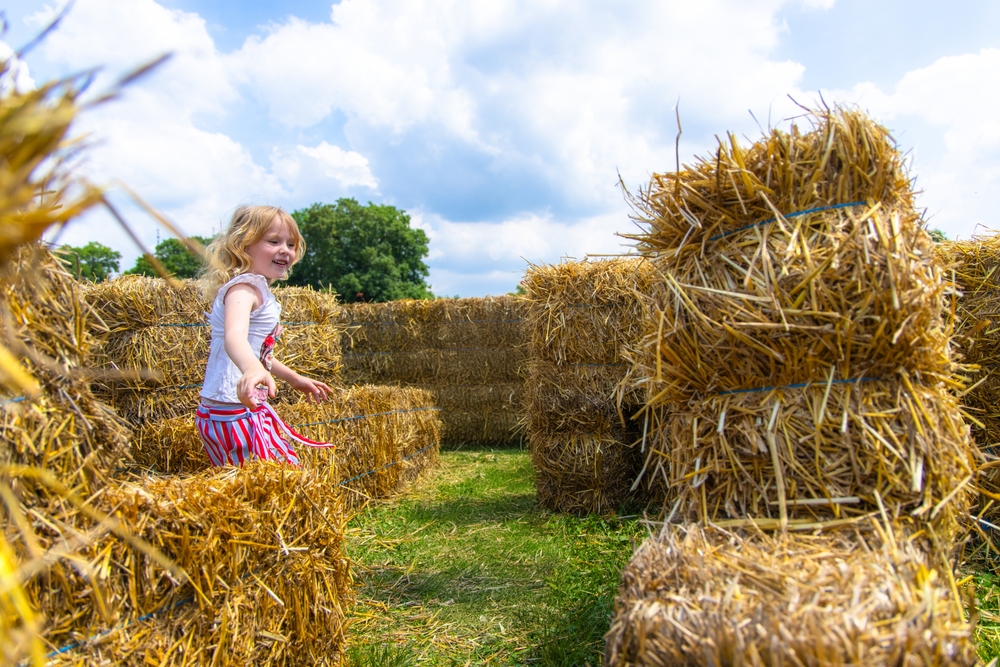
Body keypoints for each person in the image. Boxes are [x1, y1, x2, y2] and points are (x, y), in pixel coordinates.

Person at [195, 205, 333, 466]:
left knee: (272, 481)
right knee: (273, 481)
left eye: (291, 244)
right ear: (243, 245)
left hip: (237, 405)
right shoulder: (243, 289)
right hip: (230, 409)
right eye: (274, 241)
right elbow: (234, 338)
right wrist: (251, 370)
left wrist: (293, 378)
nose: (285, 250)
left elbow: (256, 350)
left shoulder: (257, 289)